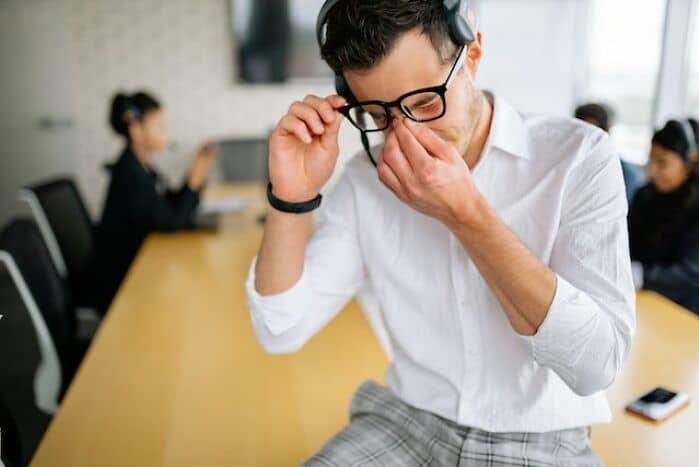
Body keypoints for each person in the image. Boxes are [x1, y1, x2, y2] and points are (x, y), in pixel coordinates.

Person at [246, 1, 635, 465]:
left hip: (538, 435)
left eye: (426, 102)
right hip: (407, 419)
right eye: (379, 116)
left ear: (473, 54)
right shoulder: (365, 181)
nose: (405, 136)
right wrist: (291, 198)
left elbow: (596, 365)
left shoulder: (577, 158)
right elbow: (280, 330)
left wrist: (466, 215)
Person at [90, 91, 216, 311]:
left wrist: (193, 180)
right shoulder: (130, 174)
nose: (165, 133)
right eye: (159, 126)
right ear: (136, 130)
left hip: (138, 267)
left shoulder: (141, 166)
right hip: (122, 283)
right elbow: (171, 223)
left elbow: (167, 206)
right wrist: (193, 182)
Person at [628, 118, 699, 315]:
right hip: (642, 301)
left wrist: (642, 275)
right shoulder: (645, 194)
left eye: (663, 163)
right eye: (651, 160)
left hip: (685, 310)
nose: (652, 171)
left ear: (689, 162)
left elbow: (691, 273)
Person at [574, 102, 645, 204]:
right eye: (581, 133)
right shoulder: (567, 169)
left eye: (593, 134)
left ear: (607, 132)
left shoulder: (626, 174)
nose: (586, 140)